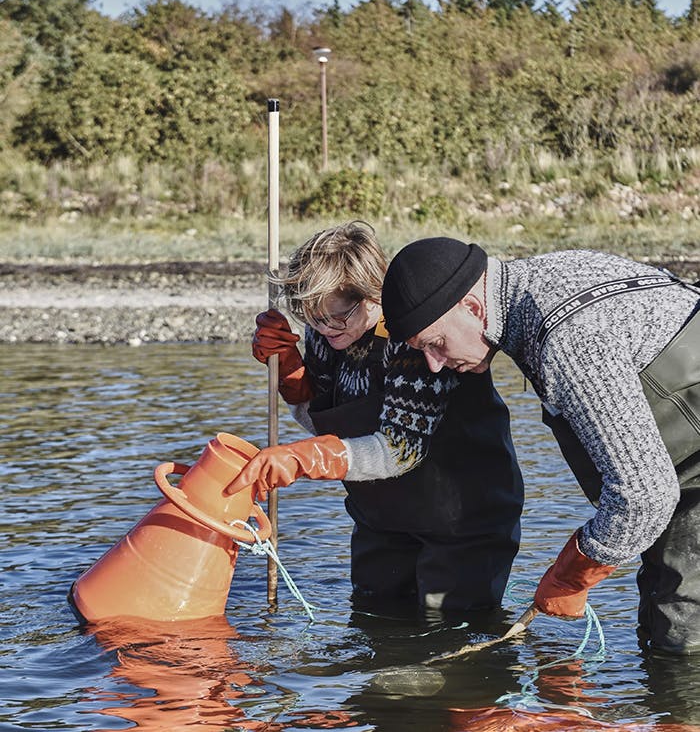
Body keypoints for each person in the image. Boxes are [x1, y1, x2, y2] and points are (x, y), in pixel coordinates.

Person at [378, 236, 700, 654]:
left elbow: (643, 498)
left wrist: (574, 570)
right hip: (684, 478)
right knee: (665, 619)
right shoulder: (546, 277)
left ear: (473, 308)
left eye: (436, 344)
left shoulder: (566, 339)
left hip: (678, 482)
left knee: (682, 641)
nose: (435, 364)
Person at [227, 221, 524, 613]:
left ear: (371, 295)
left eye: (339, 317)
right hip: (381, 518)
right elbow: (328, 426)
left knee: (447, 634)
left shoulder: (416, 339)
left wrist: (304, 459)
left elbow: (400, 450)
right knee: (374, 620)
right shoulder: (325, 331)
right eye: (312, 317)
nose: (325, 328)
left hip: (461, 519)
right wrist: (290, 374)